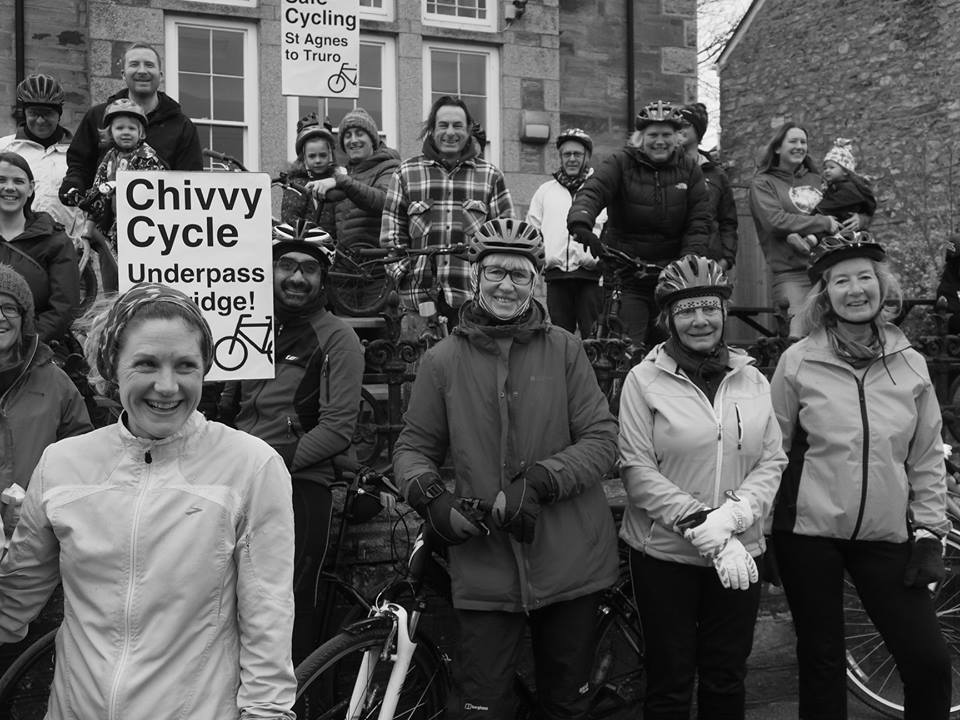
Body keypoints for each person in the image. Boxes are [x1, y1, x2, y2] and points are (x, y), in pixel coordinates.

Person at [0, 282, 297, 719]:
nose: (167, 385)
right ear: (112, 367)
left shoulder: (251, 467)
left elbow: (267, 620)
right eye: (146, 363)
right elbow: (12, 604)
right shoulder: (63, 464)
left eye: (185, 366)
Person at [393, 218, 619, 719]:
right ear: (476, 276)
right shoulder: (442, 360)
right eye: (495, 272)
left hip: (570, 561)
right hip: (485, 567)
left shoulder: (565, 348)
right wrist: (430, 494)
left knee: (567, 705)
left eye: (519, 275)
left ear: (536, 280)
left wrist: (541, 480)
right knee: (482, 707)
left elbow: (602, 440)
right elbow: (412, 447)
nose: (506, 285)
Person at [770, 230, 952, 719]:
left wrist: (932, 530)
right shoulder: (797, 361)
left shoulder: (910, 363)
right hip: (807, 534)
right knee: (822, 662)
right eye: (841, 280)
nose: (856, 289)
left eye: (865, 277)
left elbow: (926, 454)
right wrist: (758, 527)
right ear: (825, 295)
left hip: (885, 534)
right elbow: (772, 451)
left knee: (929, 663)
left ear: (881, 284)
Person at [618, 254, 786, 720]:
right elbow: (636, 468)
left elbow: (772, 458)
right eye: (686, 310)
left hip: (740, 553)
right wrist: (700, 523)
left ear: (724, 313)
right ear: (668, 319)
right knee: (669, 682)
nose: (700, 320)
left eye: (709, 307)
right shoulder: (643, 380)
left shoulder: (751, 377)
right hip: (665, 556)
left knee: (726, 676)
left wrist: (733, 519)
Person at [218, 221, 364, 664]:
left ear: (323, 278)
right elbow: (233, 405)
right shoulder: (250, 321)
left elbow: (338, 428)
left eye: (309, 269)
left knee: (289, 605)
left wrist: (268, 465)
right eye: (286, 265)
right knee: (225, 600)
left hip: (298, 486)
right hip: (236, 480)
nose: (297, 278)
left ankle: (295, 703)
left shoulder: (339, 337)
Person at [567, 99, 712, 349]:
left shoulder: (690, 170)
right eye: (653, 134)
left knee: (674, 348)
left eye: (666, 134)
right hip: (627, 272)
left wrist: (688, 259)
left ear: (677, 137)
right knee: (626, 349)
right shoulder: (621, 162)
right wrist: (581, 221)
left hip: (671, 274)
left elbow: (699, 220)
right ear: (640, 137)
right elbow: (594, 190)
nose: (660, 141)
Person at [380, 95, 514, 329]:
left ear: (469, 130)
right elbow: (391, 236)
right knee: (419, 364)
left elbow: (506, 238)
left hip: (474, 302)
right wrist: (403, 274)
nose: (450, 132)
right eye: (443, 125)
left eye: (457, 125)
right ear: (431, 129)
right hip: (418, 301)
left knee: (472, 366)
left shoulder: (491, 176)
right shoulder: (406, 173)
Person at [58, 42, 203, 204]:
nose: (142, 71)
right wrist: (74, 185)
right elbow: (80, 164)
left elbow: (191, 180)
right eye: (134, 64)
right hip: (104, 217)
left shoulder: (182, 126)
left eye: (149, 65)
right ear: (123, 74)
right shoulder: (97, 116)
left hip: (161, 221)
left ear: (161, 75)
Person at [748, 123, 842, 334]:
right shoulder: (763, 183)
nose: (800, 146)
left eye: (803, 142)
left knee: (839, 339)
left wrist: (861, 217)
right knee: (798, 339)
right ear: (778, 148)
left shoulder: (818, 180)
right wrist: (822, 222)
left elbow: (843, 203)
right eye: (793, 141)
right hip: (793, 274)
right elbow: (775, 221)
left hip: (831, 270)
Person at [527, 128, 605, 336]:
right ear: (560, 157)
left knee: (593, 339)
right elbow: (532, 233)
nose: (572, 159)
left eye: (577, 154)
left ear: (587, 157)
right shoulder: (545, 192)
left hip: (591, 278)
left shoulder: (601, 190)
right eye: (567, 154)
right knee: (560, 339)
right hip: (556, 279)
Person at [0, 151, 80, 344]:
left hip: (36, 348)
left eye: (18, 181)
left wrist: (24, 341)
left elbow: (64, 306)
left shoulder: (55, 241)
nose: (9, 188)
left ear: (30, 189)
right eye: (1, 180)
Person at [0, 74, 84, 244]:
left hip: (67, 249)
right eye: (33, 113)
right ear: (24, 113)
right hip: (14, 248)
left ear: (59, 114)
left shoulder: (78, 152)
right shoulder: (4, 148)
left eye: (47, 114)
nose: (40, 120)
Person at [307, 107, 400, 250]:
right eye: (348, 135)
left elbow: (384, 202)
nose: (353, 140)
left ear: (373, 140)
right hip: (346, 264)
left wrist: (339, 180)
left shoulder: (390, 167)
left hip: (376, 263)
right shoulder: (348, 174)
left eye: (360, 134)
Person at [86, 98, 168, 248]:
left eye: (131, 129)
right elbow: (99, 186)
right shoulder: (110, 156)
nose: (125, 133)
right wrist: (91, 199)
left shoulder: (147, 156)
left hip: (141, 227)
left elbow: (152, 187)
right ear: (110, 131)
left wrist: (118, 185)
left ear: (141, 132)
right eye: (119, 128)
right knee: (110, 267)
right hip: (111, 227)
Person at [786, 138, 877, 253]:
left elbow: (834, 203)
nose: (827, 171)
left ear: (845, 171)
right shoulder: (834, 185)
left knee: (829, 228)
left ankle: (809, 241)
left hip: (845, 221)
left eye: (831, 167)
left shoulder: (849, 188)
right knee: (827, 229)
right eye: (825, 168)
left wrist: (818, 211)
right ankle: (808, 241)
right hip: (839, 224)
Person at [677, 102, 739, 271]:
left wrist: (726, 259)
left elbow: (728, 221)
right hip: (673, 261)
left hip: (710, 264)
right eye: (676, 123)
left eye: (686, 124)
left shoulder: (717, 175)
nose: (679, 128)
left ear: (698, 130)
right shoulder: (668, 169)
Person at [281, 112, 338, 234]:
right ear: (304, 158)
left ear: (330, 156)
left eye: (322, 155)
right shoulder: (296, 185)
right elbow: (290, 220)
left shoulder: (337, 182)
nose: (318, 160)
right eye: (312, 156)